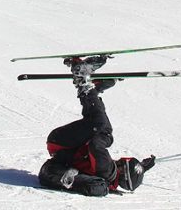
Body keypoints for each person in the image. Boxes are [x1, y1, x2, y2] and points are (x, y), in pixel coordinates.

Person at [38, 57, 156, 196]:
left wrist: (107, 139)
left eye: (123, 165)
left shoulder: (107, 170)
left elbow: (95, 145)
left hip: (62, 144)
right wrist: (143, 166)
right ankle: (93, 90)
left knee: (101, 127)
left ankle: (84, 81)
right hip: (63, 149)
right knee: (97, 125)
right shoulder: (108, 177)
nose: (119, 162)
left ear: (123, 172)